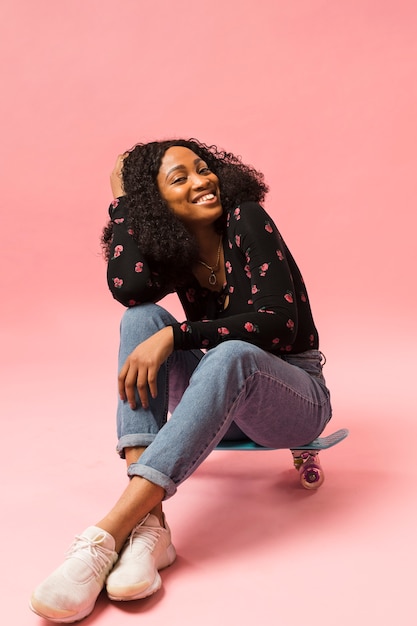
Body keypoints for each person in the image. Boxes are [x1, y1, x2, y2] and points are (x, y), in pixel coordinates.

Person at [30, 138, 332, 622]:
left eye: (203, 168)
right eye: (180, 179)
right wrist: (124, 203)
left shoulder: (247, 219)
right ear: (157, 203)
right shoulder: (179, 250)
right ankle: (152, 532)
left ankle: (106, 536)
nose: (202, 181)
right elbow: (128, 290)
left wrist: (180, 337)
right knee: (141, 320)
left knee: (232, 352)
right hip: (221, 399)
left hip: (293, 396)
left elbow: (280, 324)